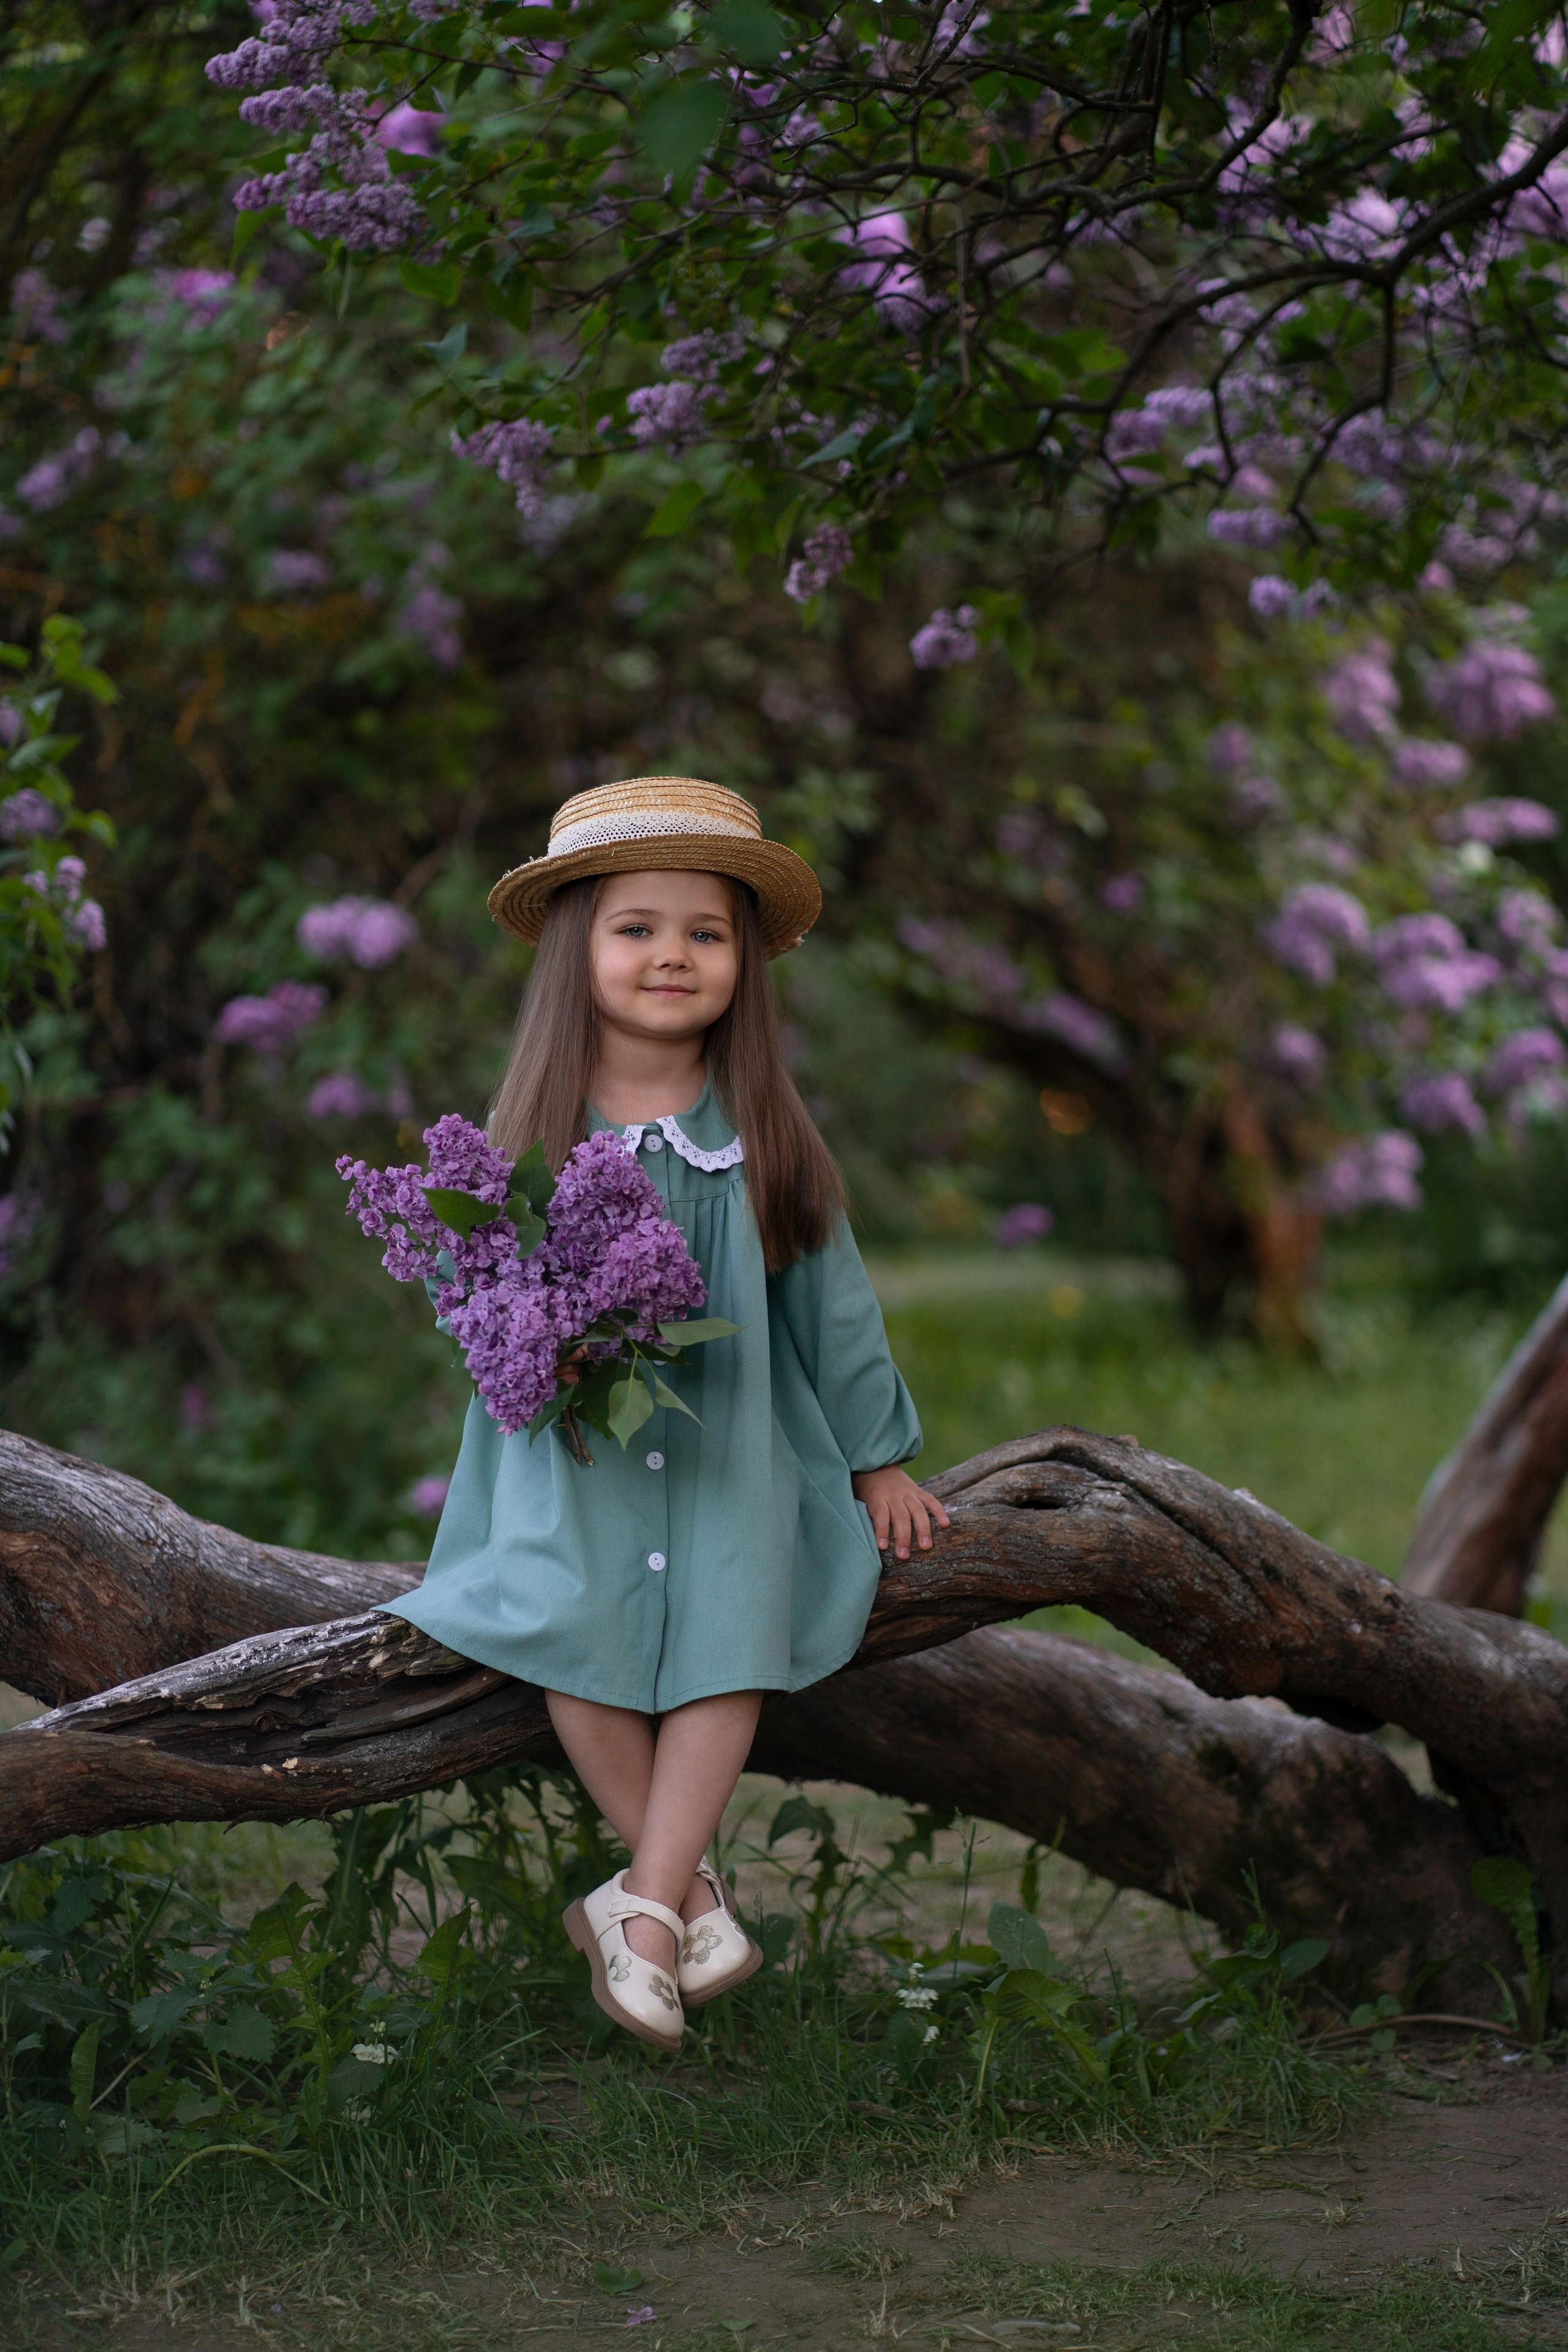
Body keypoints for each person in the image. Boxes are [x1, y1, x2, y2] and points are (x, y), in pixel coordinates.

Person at [380, 776, 948, 2051]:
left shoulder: (763, 1137)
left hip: (733, 1449)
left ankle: (639, 1915)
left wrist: (878, 1464)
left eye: (706, 931)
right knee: (559, 1615)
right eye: (636, 927)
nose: (671, 956)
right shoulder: (524, 1139)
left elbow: (835, 1312)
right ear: (577, 946)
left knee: (730, 1638)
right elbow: (476, 1299)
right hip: (571, 1454)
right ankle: (680, 1897)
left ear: (744, 960)